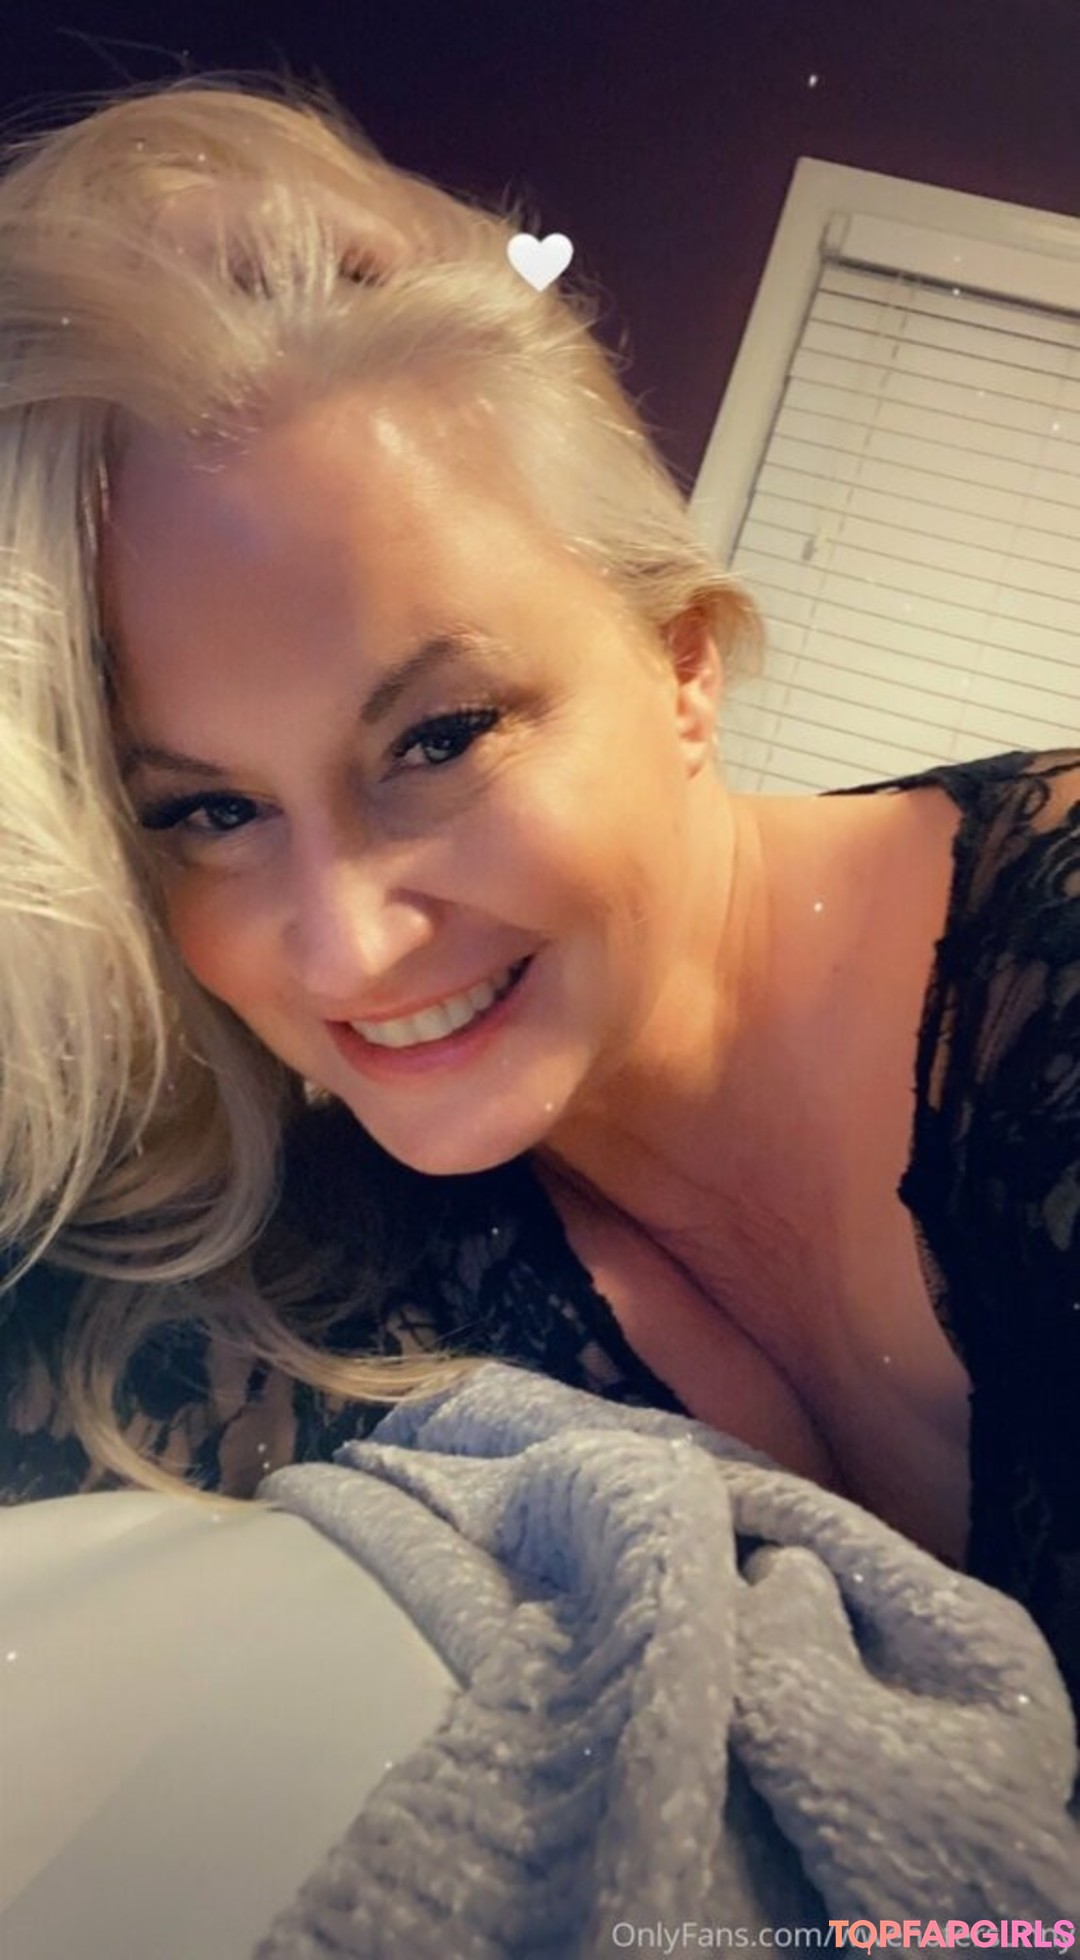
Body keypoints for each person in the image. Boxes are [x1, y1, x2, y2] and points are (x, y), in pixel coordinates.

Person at [0, 79, 1076, 1722]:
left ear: (683, 657)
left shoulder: (1046, 969)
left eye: (439, 738)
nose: (348, 945)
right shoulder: (328, 1268)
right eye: (211, 811)